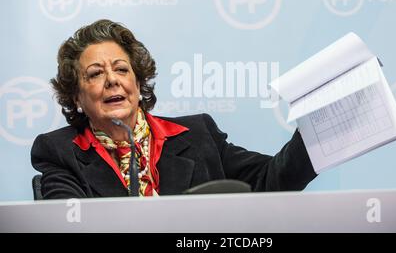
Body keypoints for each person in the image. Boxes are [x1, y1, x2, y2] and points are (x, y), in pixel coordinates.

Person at [31, 19, 317, 199]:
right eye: (95, 74)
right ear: (77, 97)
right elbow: (68, 224)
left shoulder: (197, 135)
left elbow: (271, 180)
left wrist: (316, 127)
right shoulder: (59, 152)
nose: (112, 80)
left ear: (138, 81)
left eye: (121, 69)